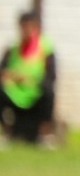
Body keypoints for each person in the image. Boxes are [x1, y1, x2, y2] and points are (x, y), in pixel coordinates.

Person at [1, 10, 58, 146]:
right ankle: (6, 132)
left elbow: (51, 75)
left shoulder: (45, 49)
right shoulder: (12, 49)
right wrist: (11, 77)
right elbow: (3, 71)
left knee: (48, 90)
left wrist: (29, 79)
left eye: (30, 27)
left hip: (35, 92)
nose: (26, 31)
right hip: (15, 92)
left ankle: (45, 134)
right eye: (23, 27)